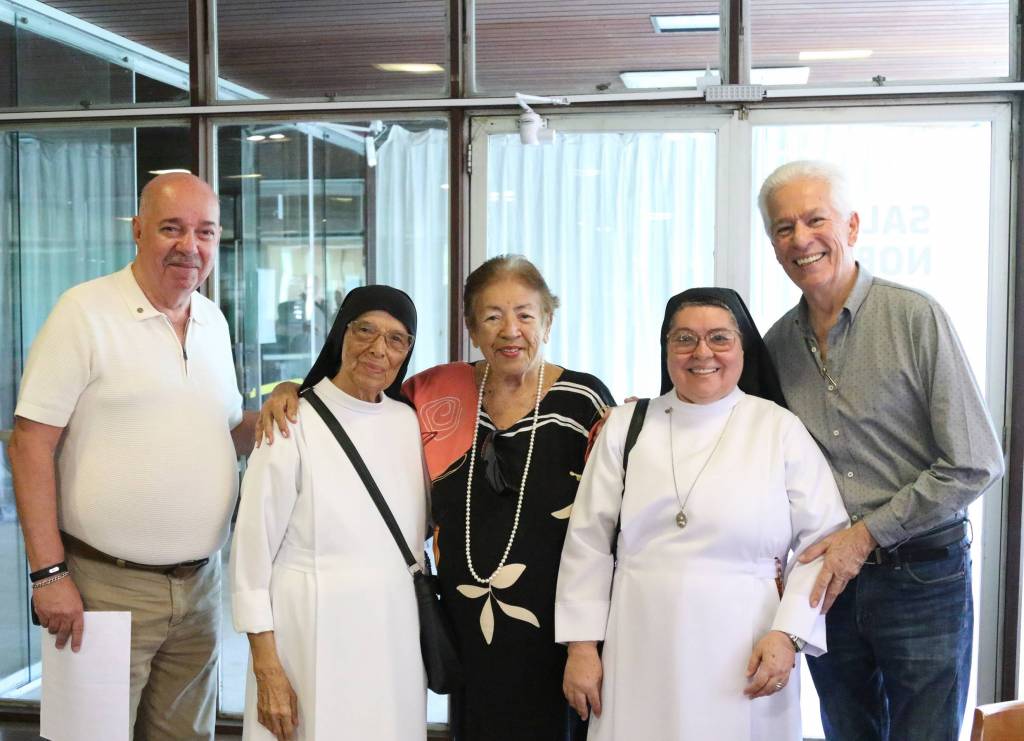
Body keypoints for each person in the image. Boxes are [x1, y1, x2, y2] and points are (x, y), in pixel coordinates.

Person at [258, 255, 615, 741]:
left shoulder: (584, 401)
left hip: (558, 633)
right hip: (464, 629)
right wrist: (291, 390)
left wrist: (585, 643)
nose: (510, 330)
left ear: (548, 321)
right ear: (472, 328)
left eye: (525, 314)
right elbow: (359, 404)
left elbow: (606, 527)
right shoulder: (434, 391)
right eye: (492, 316)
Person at [758, 160, 1005, 740]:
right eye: (784, 228)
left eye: (815, 220)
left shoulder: (915, 317)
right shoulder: (775, 345)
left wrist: (866, 535)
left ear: (852, 226)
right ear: (774, 246)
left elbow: (976, 462)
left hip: (923, 577)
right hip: (829, 587)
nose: (800, 239)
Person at [7, 172, 255, 739]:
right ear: (138, 231)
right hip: (102, 589)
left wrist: (295, 411)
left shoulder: (213, 321)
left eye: (205, 232)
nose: (189, 246)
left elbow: (225, 427)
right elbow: (30, 443)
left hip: (199, 587)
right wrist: (48, 575)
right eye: (172, 228)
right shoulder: (84, 312)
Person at [555, 288, 850, 741]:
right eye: (685, 339)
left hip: (747, 645)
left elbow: (823, 541)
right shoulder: (626, 426)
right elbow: (588, 540)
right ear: (666, 348)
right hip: (639, 638)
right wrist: (581, 647)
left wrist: (788, 634)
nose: (702, 353)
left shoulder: (778, 428)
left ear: (743, 348)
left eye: (719, 338)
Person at [230, 285, 427, 741]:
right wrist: (266, 666)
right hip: (309, 632)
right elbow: (251, 558)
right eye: (365, 331)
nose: (378, 349)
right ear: (341, 334)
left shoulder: (409, 422)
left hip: (394, 633)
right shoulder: (290, 420)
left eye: (396, 339)